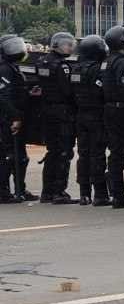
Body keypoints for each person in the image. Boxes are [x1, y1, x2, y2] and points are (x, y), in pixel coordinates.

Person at [34, 32, 78, 203]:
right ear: (58, 45)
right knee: (64, 151)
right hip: (62, 113)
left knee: (52, 152)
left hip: (46, 110)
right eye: (68, 44)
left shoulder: (42, 62)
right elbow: (68, 91)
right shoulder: (62, 66)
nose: (71, 47)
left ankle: (47, 191)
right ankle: (59, 192)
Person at [100, 25, 124, 208]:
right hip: (121, 111)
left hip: (108, 110)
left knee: (115, 153)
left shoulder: (106, 61)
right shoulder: (123, 62)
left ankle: (116, 194)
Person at [72, 34, 110, 206]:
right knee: (97, 155)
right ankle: (100, 194)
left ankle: (84, 193)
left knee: (83, 155)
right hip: (96, 116)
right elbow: (103, 91)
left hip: (80, 115)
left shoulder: (75, 69)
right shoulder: (97, 69)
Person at [0, 34, 32, 203]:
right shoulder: (4, 68)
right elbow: (3, 97)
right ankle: (3, 192)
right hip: (7, 120)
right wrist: (15, 118)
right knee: (8, 157)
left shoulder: (13, 67)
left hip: (14, 117)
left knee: (20, 157)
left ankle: (20, 189)